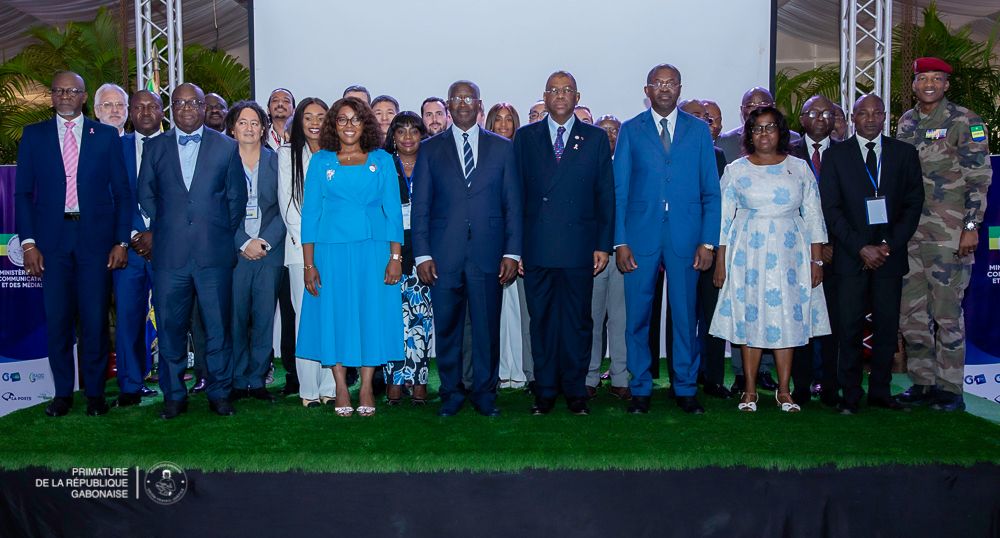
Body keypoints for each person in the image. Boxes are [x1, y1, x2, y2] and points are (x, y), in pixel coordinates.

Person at [15, 70, 131, 417]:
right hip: (51, 243)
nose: (65, 96)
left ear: (84, 97)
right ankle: (63, 394)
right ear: (52, 96)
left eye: (72, 91)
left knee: (95, 321)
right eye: (59, 91)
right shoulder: (34, 135)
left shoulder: (105, 136)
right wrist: (29, 243)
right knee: (58, 322)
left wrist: (121, 241)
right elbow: (23, 194)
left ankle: (95, 395)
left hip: (96, 242)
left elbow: (123, 194)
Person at [709, 106, 830, 413]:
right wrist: (721, 260)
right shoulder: (736, 170)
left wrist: (816, 261)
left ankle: (784, 391)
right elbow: (723, 219)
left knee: (787, 318)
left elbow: (814, 215)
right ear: (749, 134)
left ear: (781, 132)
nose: (764, 133)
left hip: (791, 255)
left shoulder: (799, 168)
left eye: (770, 127)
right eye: (757, 128)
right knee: (750, 317)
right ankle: (749, 391)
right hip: (747, 254)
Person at [138, 82, 248, 419]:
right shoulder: (155, 147)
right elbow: (146, 193)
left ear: (203, 107)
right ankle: (173, 396)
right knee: (170, 328)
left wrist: (215, 231)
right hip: (170, 256)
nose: (186, 108)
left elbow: (236, 199)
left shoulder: (226, 146)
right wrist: (167, 226)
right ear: (171, 109)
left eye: (193, 103)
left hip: (213, 255)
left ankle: (220, 392)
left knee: (218, 329)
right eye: (179, 103)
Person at [615, 65, 721, 415]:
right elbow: (620, 191)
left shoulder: (699, 131)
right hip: (640, 236)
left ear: (679, 88)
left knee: (685, 315)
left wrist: (708, 242)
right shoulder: (631, 129)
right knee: (638, 317)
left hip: (686, 237)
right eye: (657, 83)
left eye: (670, 83)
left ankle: (685, 387)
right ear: (646, 90)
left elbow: (711, 192)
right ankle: (641, 387)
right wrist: (620, 241)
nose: (664, 88)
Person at [412, 81, 522, 417]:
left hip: (489, 254)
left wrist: (512, 252)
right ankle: (451, 393)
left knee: (487, 329)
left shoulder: (502, 147)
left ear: (479, 104)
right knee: (447, 328)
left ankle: (485, 393)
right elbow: (421, 206)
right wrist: (422, 254)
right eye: (456, 98)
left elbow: (513, 204)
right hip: (443, 255)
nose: (463, 103)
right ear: (448, 105)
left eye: (468, 97)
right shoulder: (430, 149)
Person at [895, 57, 993, 412]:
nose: (930, 84)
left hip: (949, 234)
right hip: (910, 234)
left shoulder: (965, 121)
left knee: (947, 313)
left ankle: (950, 389)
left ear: (946, 85)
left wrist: (970, 228)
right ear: (914, 85)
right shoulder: (906, 122)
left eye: (937, 79)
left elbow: (979, 180)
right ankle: (923, 383)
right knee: (911, 313)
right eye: (923, 78)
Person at [514, 70, 614, 416]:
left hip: (579, 247)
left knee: (577, 323)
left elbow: (605, 194)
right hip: (537, 247)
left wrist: (603, 244)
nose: (560, 95)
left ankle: (575, 391)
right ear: (544, 97)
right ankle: (544, 391)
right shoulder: (525, 137)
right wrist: (515, 248)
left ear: (577, 97)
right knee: (541, 322)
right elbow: (515, 195)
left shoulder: (595, 137)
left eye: (566, 90)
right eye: (553, 90)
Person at [297, 97, 404, 417]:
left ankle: (367, 386)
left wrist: (395, 257)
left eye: (356, 119)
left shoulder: (382, 160)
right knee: (335, 314)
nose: (349, 125)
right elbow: (311, 214)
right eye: (342, 119)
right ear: (334, 124)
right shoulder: (321, 161)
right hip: (331, 252)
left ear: (365, 124)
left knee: (371, 313)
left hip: (373, 251)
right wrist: (309, 264)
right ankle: (341, 386)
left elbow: (393, 211)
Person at [820, 94, 924, 415]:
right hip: (851, 257)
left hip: (890, 256)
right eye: (862, 113)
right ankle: (850, 394)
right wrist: (860, 247)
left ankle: (881, 391)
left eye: (876, 113)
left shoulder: (904, 153)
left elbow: (913, 204)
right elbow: (831, 209)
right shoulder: (836, 156)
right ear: (853, 118)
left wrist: (887, 245)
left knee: (886, 327)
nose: (869, 118)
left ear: (884, 116)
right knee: (848, 328)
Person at [223, 101, 286, 403]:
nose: (249, 128)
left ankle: (257, 379)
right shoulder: (222, 160)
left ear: (263, 128)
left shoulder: (277, 161)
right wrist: (242, 241)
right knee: (235, 317)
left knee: (263, 317)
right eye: (242, 123)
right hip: (234, 252)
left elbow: (286, 206)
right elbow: (216, 208)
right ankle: (237, 379)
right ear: (232, 129)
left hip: (268, 251)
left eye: (254, 123)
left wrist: (264, 241)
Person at [277, 97, 336, 408]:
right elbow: (289, 207)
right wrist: (313, 247)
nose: (315, 122)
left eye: (321, 116)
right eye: (308, 116)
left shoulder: (337, 153)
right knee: (306, 320)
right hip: (302, 253)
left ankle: (330, 386)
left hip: (336, 249)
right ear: (299, 121)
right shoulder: (287, 154)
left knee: (333, 317)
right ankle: (309, 389)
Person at [111, 89, 164, 407]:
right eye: (138, 107)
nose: (145, 112)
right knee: (129, 319)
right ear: (130, 113)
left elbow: (183, 196)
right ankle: (130, 384)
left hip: (166, 248)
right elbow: (109, 196)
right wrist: (133, 234)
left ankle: (171, 383)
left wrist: (156, 233)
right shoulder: (115, 146)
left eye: (152, 106)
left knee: (169, 318)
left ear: (162, 111)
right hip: (127, 249)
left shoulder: (175, 145)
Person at [677, 98, 731, 400]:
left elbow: (719, 203)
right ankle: (679, 376)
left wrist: (713, 244)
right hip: (678, 245)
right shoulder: (668, 152)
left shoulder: (718, 155)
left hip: (710, 244)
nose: (702, 122)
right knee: (681, 315)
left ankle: (712, 378)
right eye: (695, 116)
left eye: (707, 118)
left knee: (712, 314)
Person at [790, 94, 840, 406]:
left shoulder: (847, 153)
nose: (820, 118)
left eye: (827, 113)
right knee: (802, 320)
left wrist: (830, 245)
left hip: (838, 250)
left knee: (833, 322)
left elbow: (851, 204)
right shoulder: (787, 153)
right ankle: (802, 385)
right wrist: (813, 248)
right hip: (798, 251)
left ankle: (831, 385)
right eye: (813, 112)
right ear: (802, 119)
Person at [382, 111, 433, 405]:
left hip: (425, 251)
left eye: (414, 130)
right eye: (401, 131)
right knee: (393, 319)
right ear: (393, 137)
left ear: (422, 135)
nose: (408, 137)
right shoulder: (384, 165)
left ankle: (420, 381)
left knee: (421, 321)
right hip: (391, 251)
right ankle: (394, 381)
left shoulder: (431, 162)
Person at [484, 102, 531, 389]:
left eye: (508, 119)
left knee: (519, 312)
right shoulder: (484, 154)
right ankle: (500, 370)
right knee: (496, 313)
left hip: (518, 244)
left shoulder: (523, 155)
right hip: (490, 242)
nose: (503, 124)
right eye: (497, 119)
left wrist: (519, 248)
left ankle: (522, 370)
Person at [589, 113, 629, 399]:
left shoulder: (629, 166)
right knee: (590, 319)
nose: (609, 135)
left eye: (614, 130)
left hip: (622, 253)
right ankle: (589, 377)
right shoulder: (587, 165)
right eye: (603, 130)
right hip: (593, 253)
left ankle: (620, 377)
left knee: (620, 319)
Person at [717, 87, 801, 164]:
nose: (757, 109)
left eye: (763, 104)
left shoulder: (793, 139)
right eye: (750, 106)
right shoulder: (724, 142)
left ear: (774, 107)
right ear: (742, 110)